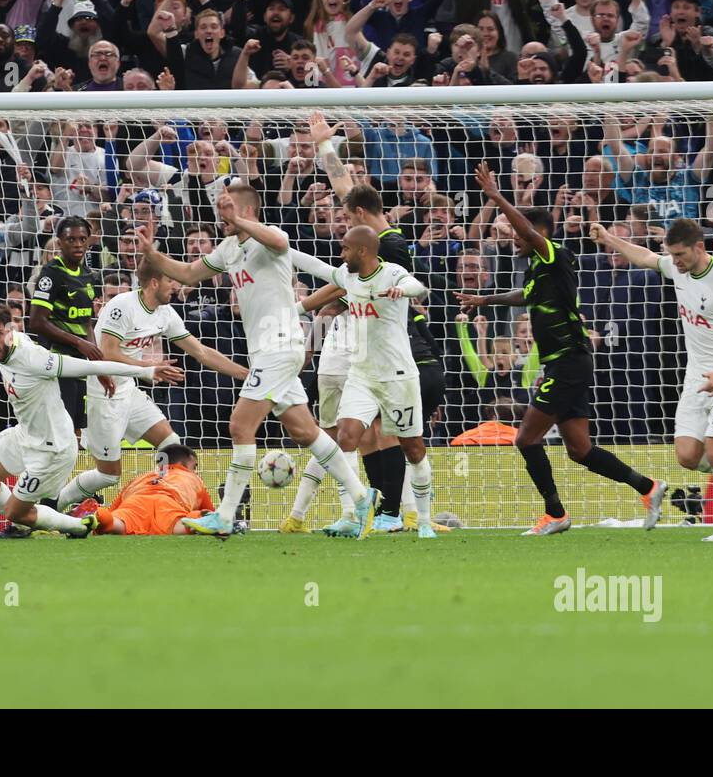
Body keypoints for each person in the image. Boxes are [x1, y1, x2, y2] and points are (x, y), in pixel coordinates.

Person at [138, 183, 377, 536]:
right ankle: (360, 497)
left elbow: (280, 242)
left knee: (240, 426)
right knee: (304, 430)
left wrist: (238, 220)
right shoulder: (229, 249)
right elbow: (188, 274)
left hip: (281, 345)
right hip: (270, 351)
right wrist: (151, 253)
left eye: (229, 210)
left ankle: (225, 514)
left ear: (246, 211)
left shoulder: (270, 240)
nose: (222, 217)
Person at [456, 162, 667, 536]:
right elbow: (525, 295)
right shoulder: (536, 270)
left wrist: (496, 197)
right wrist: (484, 298)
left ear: (537, 234)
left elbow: (527, 233)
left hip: (568, 362)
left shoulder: (556, 254)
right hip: (566, 364)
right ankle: (648, 488)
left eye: (521, 235)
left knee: (525, 438)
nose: (515, 240)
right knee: (580, 450)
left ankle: (556, 513)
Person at [0, 261, 182, 538]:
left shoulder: (36, 360)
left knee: (16, 512)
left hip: (52, 447)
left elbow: (91, 367)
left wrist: (146, 370)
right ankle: (23, 522)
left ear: (9, 331)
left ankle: (76, 524)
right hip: (25, 434)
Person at [589, 218, 713, 543]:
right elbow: (643, 257)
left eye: (681, 255)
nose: (676, 262)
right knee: (686, 456)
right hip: (696, 377)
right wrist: (610, 238)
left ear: (699, 247)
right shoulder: (677, 268)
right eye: (672, 255)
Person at [57, 252, 248, 511]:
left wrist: (245, 374)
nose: (177, 286)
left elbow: (200, 351)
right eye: (172, 280)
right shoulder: (122, 306)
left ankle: (163, 502)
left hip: (128, 391)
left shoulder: (165, 313)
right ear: (155, 282)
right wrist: (149, 368)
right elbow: (108, 352)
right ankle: (53, 503)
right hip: (103, 395)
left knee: (172, 446)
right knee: (108, 476)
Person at [297, 226, 436, 538]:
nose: (341, 254)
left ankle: (423, 520)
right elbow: (316, 267)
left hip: (397, 376)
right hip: (361, 375)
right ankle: (351, 512)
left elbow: (417, 286)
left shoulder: (393, 273)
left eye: (345, 248)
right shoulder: (348, 278)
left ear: (362, 251)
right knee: (345, 437)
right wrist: (277, 245)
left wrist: (405, 291)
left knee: (413, 448)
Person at [27, 215, 102, 432]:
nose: (78, 244)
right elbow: (36, 322)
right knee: (61, 429)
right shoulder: (52, 273)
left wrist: (98, 366)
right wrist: (79, 343)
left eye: (82, 239)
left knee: (78, 429)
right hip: (57, 364)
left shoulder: (89, 275)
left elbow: (87, 323)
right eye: (71, 240)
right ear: (60, 242)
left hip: (80, 367)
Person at [71, 444, 220, 536]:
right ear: (185, 462)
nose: (195, 471)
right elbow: (212, 515)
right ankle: (193, 519)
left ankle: (99, 516)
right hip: (169, 504)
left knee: (119, 523)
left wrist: (109, 515)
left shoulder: (140, 478)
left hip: (136, 502)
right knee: (179, 525)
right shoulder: (193, 479)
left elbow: (114, 508)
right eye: (195, 467)